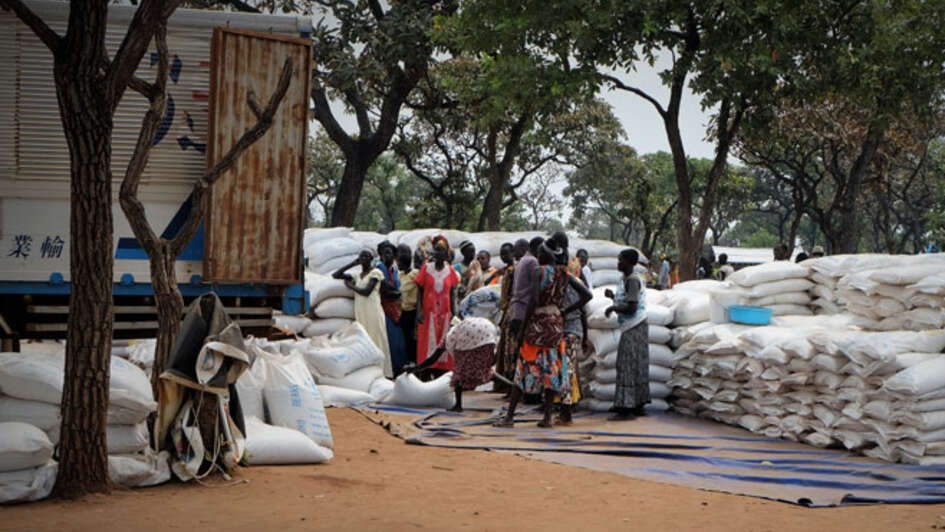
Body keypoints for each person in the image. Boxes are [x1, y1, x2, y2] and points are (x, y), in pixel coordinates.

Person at [496, 241, 569, 429]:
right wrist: (560, 311)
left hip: (537, 324)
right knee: (551, 368)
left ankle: (509, 416)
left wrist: (523, 328)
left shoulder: (540, 272)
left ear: (545, 255)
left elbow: (534, 300)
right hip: (554, 325)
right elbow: (586, 295)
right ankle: (547, 418)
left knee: (523, 367)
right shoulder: (563, 273)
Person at [404, 317, 515, 412]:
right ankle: (514, 387)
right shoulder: (459, 333)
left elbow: (432, 359)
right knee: (486, 371)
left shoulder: (448, 338)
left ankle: (458, 406)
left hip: (478, 333)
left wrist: (415, 369)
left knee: (459, 374)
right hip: (488, 332)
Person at [604, 248, 649, 421]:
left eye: (621, 260)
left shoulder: (632, 280)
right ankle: (637, 404)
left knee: (627, 364)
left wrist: (613, 307)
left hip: (634, 327)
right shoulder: (625, 280)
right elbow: (627, 301)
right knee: (636, 364)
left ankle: (626, 407)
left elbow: (632, 307)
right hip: (633, 326)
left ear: (630, 262)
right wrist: (613, 298)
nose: (618, 263)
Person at [333, 249, 392, 376]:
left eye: (366, 256)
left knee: (376, 339)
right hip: (361, 311)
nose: (363, 258)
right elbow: (336, 275)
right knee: (364, 340)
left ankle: (382, 372)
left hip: (373, 311)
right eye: (361, 256)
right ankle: (368, 373)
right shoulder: (357, 275)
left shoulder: (376, 273)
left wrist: (351, 287)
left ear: (371, 259)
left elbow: (366, 291)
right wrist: (352, 264)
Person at [556, 242, 593, 424]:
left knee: (567, 369)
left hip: (571, 329)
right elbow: (584, 312)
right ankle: (564, 407)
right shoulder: (559, 282)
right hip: (567, 329)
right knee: (564, 369)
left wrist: (566, 311)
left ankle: (566, 411)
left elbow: (587, 300)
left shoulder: (571, 281)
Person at [414, 235, 459, 378]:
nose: (437, 253)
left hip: (445, 314)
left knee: (444, 344)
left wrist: (454, 314)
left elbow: (452, 294)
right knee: (427, 343)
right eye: (436, 250)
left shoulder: (450, 271)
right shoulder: (426, 269)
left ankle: (442, 375)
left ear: (445, 254)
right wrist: (419, 312)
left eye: (440, 251)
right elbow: (419, 292)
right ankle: (425, 373)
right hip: (428, 314)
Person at [376, 241, 407, 375]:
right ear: (381, 255)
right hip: (384, 308)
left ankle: (397, 368)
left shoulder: (394, 270)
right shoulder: (379, 269)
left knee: (398, 342)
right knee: (390, 340)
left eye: (390, 253)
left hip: (395, 309)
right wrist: (398, 293)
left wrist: (397, 293)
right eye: (385, 253)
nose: (387, 256)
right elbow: (385, 289)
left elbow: (396, 288)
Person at [493, 242, 518, 387]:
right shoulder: (507, 271)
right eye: (501, 254)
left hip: (510, 311)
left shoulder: (514, 271)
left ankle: (509, 385)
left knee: (509, 349)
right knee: (504, 348)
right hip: (506, 311)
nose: (503, 257)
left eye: (506, 254)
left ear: (513, 253)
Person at [397, 244, 420, 367]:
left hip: (412, 311)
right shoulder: (400, 275)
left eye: (399, 263)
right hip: (402, 311)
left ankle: (414, 362)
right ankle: (406, 361)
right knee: (405, 337)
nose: (398, 265)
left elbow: (421, 289)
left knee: (412, 338)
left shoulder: (415, 273)